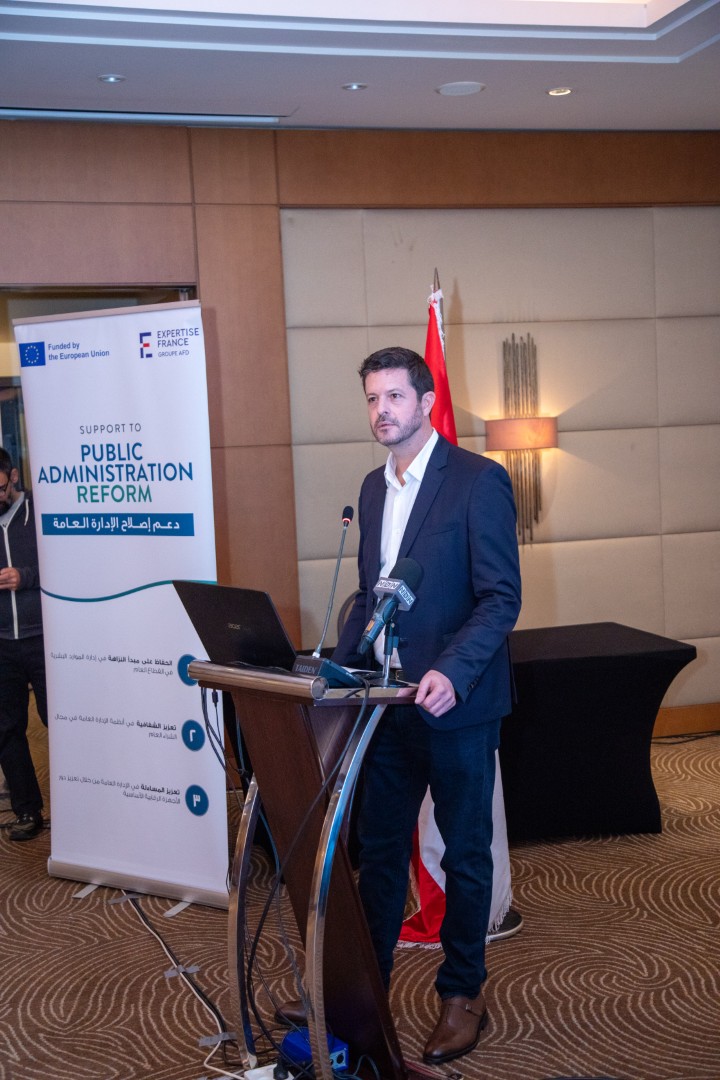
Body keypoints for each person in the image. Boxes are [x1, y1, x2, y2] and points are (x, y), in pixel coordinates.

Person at [333, 346, 522, 1065]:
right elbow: (371, 596)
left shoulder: (477, 481)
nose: (381, 411)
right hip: (387, 704)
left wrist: (452, 669)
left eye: (394, 397)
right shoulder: (371, 488)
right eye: (372, 399)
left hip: (457, 704)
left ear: (425, 401)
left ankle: (462, 992)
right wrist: (338, 668)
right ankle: (365, 985)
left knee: (465, 854)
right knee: (380, 852)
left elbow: (500, 597)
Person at [0, 447, 47, 841]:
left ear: (13, 477)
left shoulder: (39, 513)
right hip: (2, 646)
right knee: (7, 730)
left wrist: (26, 576)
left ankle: (85, 806)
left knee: (58, 723)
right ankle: (28, 811)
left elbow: (68, 566)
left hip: (43, 639)